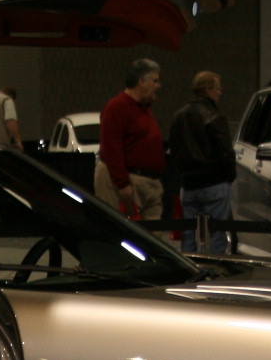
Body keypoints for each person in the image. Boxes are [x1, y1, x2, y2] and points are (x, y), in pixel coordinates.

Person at [168, 71, 234, 254]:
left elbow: (174, 150)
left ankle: (190, 271)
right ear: (208, 90)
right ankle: (214, 273)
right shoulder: (214, 116)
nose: (220, 93)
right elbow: (226, 151)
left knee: (189, 234)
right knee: (216, 235)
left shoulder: (178, 116)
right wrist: (229, 176)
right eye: (218, 88)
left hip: (188, 185)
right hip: (215, 183)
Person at [96, 58, 164, 219]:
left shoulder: (143, 108)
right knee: (119, 232)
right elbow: (112, 147)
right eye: (155, 81)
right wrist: (122, 183)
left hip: (149, 183)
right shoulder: (117, 107)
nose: (158, 86)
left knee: (154, 235)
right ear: (141, 81)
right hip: (127, 182)